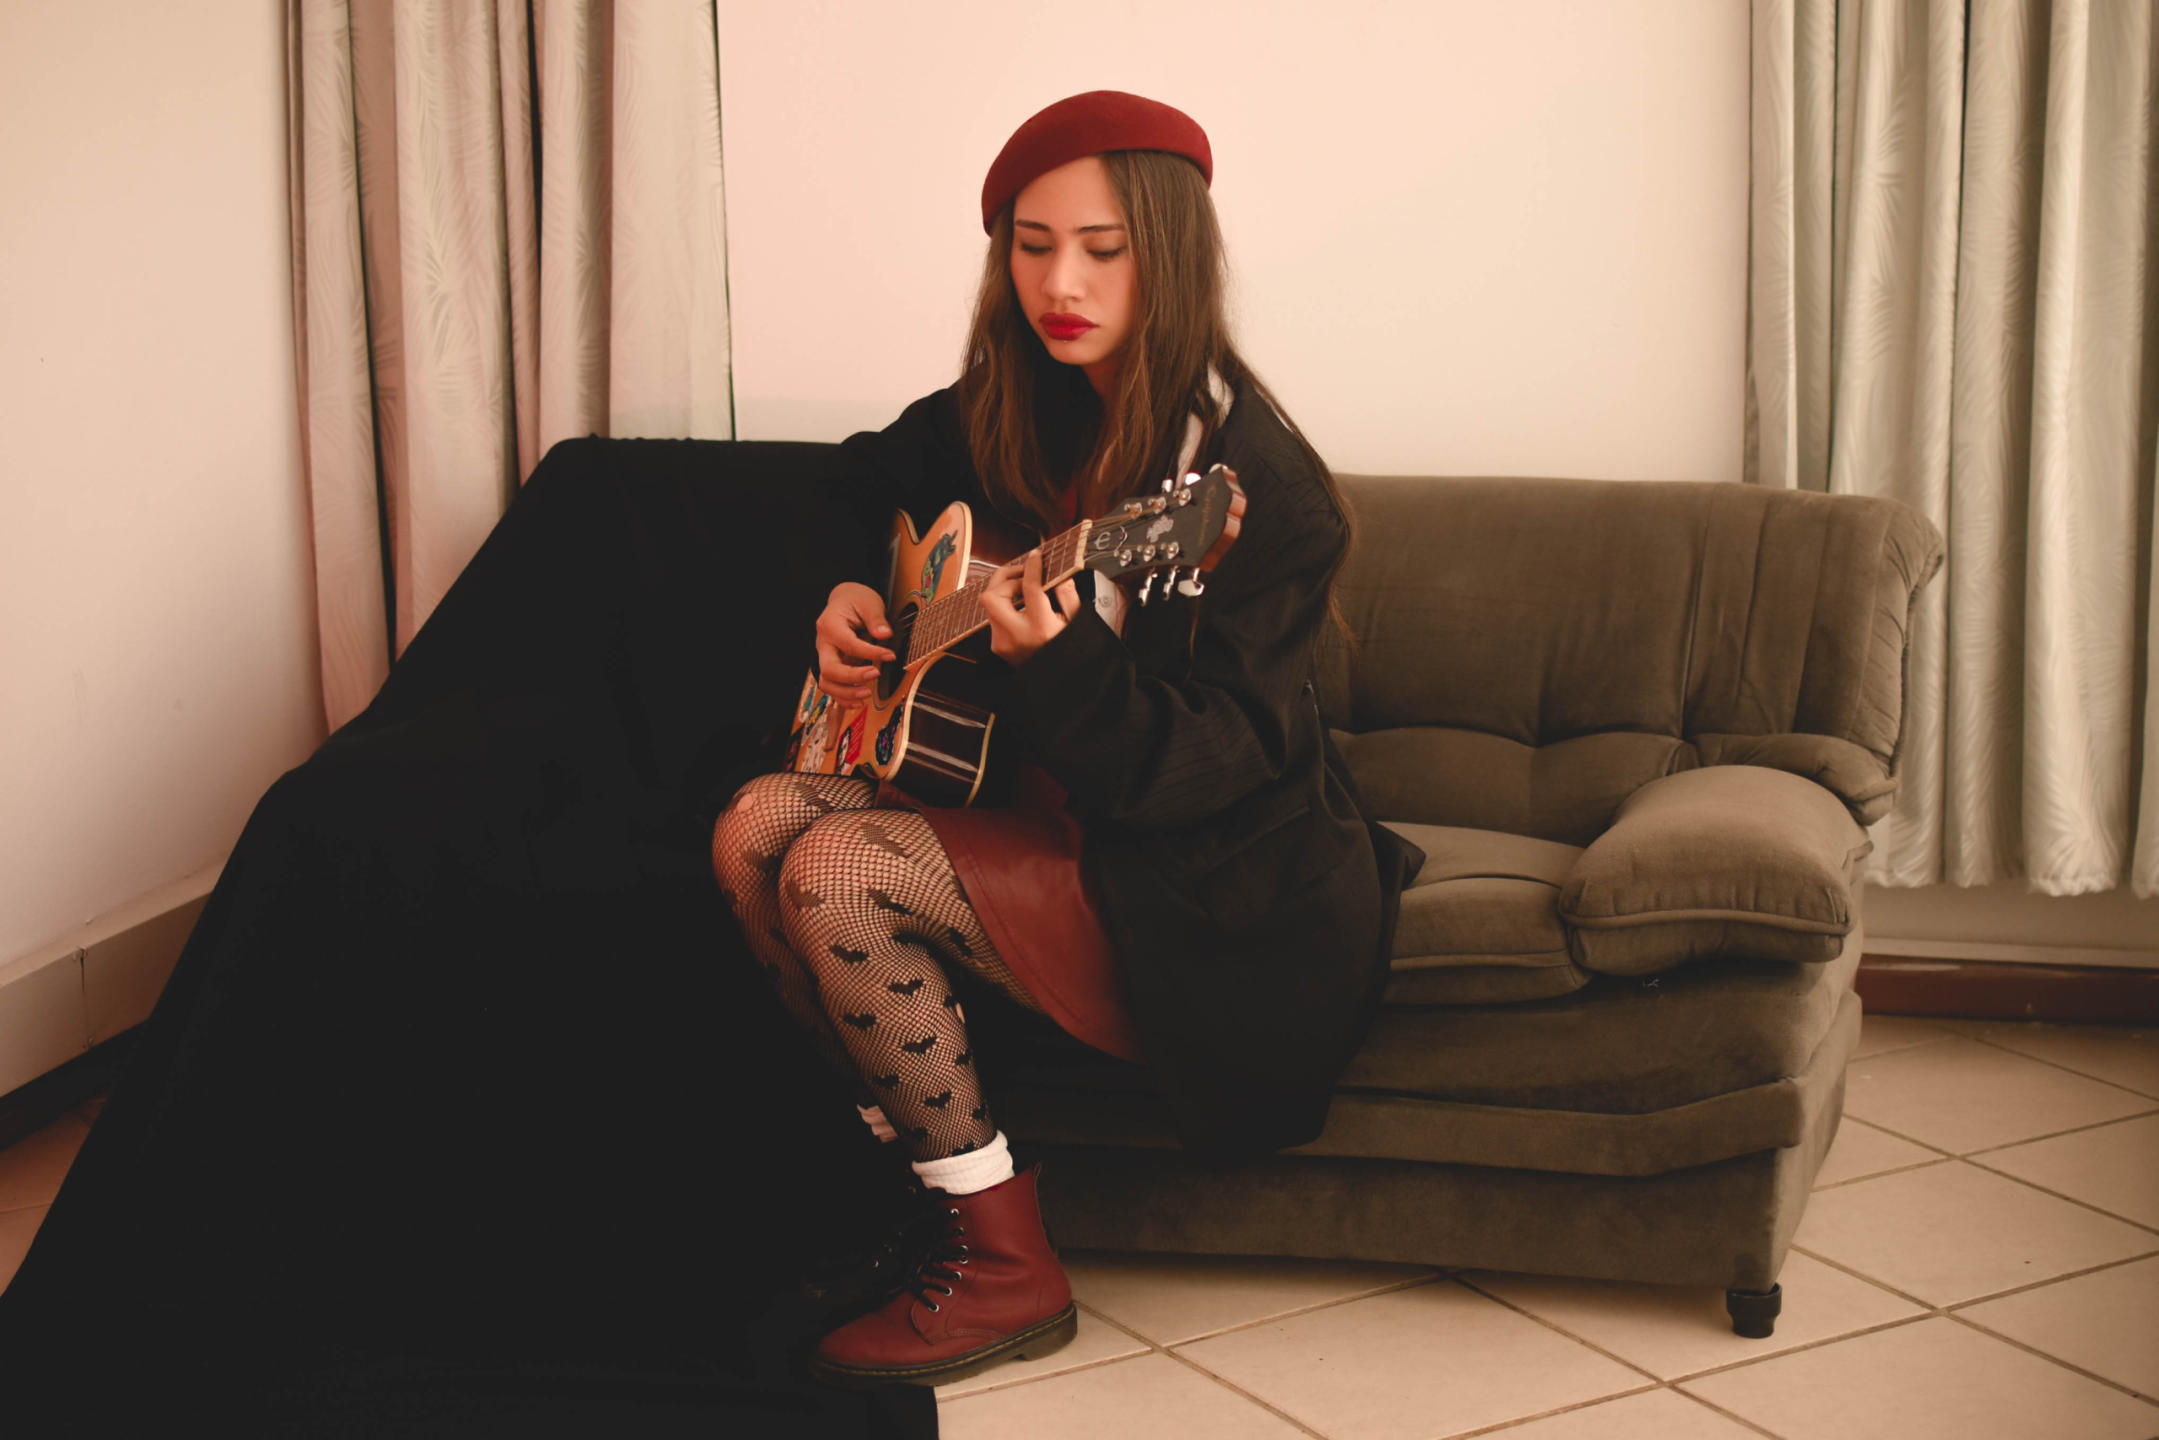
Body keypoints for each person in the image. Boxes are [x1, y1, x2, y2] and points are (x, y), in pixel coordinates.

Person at [711, 91, 1418, 1390]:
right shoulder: (1014, 399)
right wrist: (847, 586)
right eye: (1032, 246)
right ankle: (910, 1194)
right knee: (753, 824)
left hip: (1195, 875)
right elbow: (854, 480)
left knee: (835, 866)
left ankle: (1005, 1268)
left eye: (1102, 248)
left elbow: (1213, 763)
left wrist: (1067, 661)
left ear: (1171, 253)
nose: (1061, 285)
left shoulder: (1262, 491)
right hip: (1031, 802)